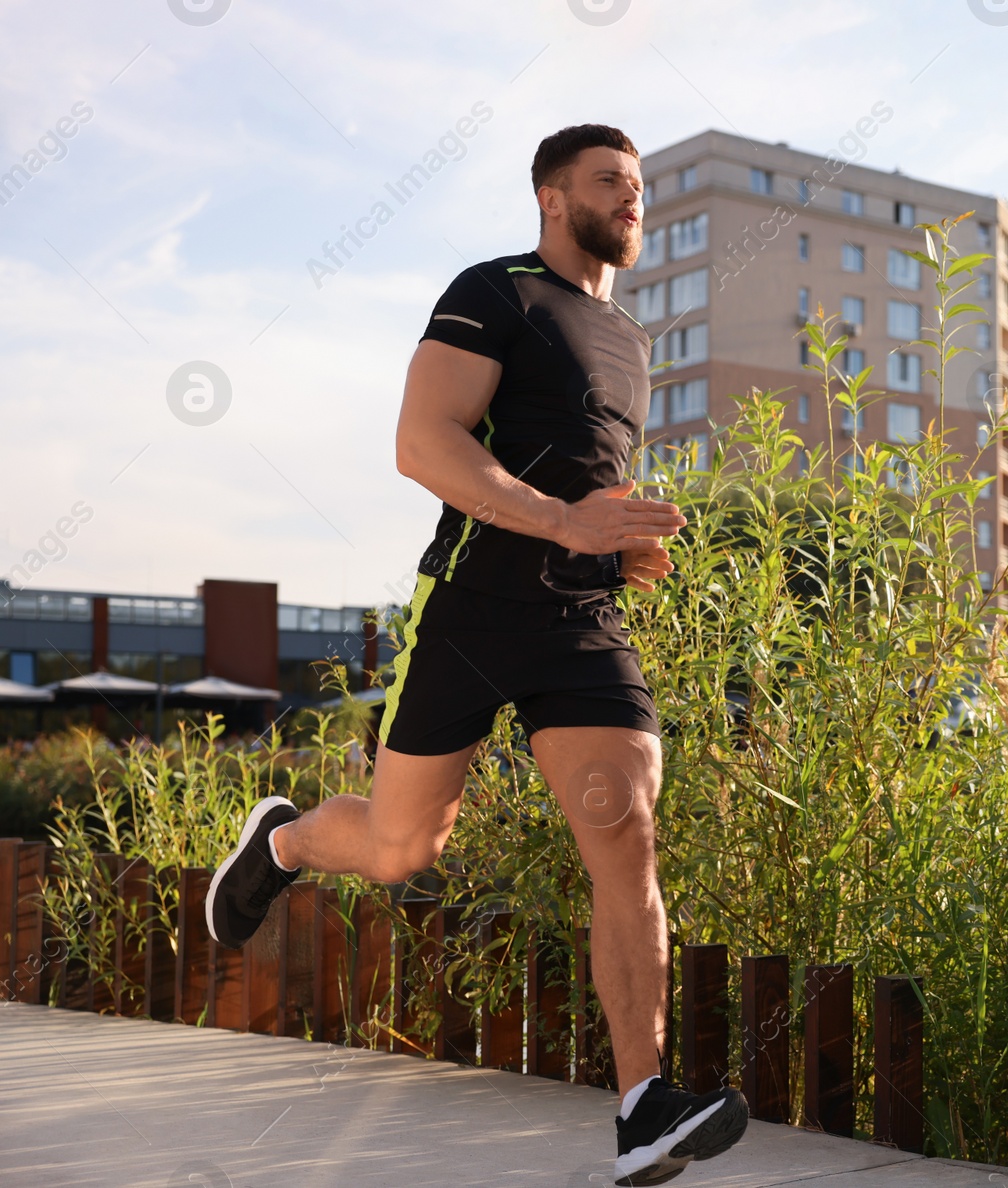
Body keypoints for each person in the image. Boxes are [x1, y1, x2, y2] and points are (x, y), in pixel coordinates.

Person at [205, 123, 749, 1187]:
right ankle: (284, 843)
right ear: (552, 198)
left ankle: (644, 1104)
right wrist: (563, 523)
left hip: (582, 624)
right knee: (406, 849)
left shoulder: (630, 340)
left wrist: (617, 545)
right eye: (610, 184)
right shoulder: (493, 292)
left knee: (626, 828)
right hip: (472, 609)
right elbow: (424, 443)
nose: (632, 202)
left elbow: (581, 486)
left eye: (639, 188)